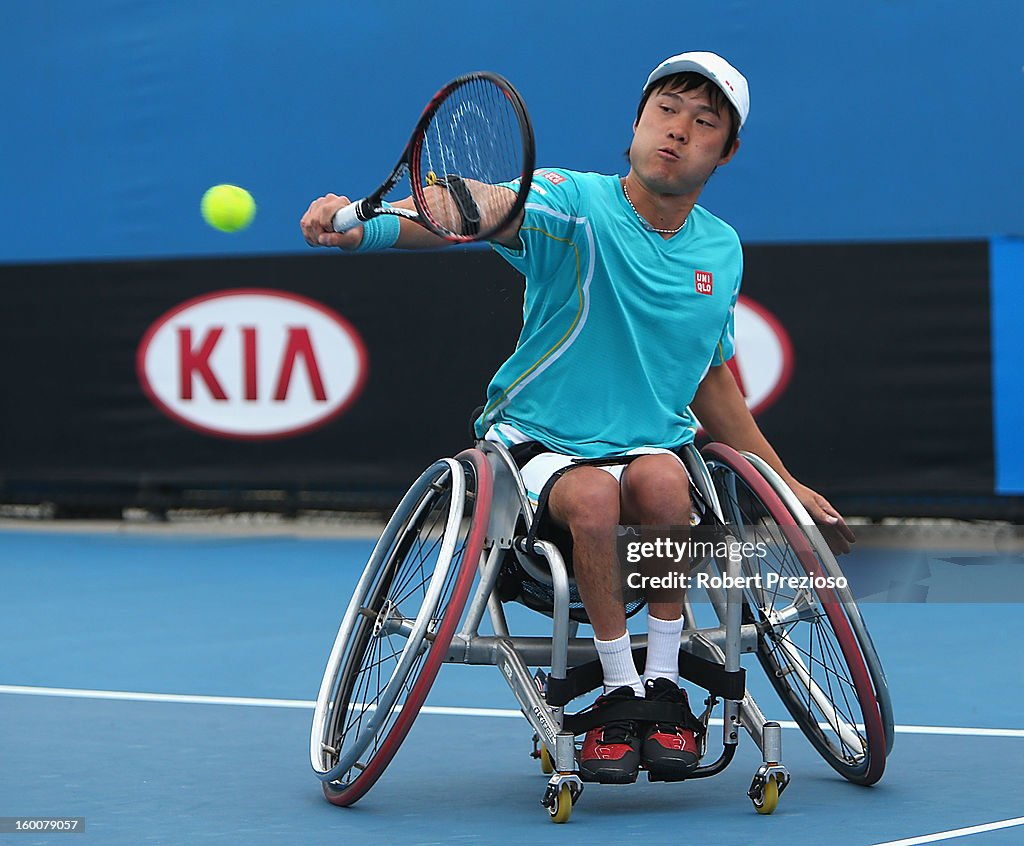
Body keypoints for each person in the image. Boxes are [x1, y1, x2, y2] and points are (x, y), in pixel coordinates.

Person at [300, 51, 855, 786]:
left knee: (664, 486)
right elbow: (479, 204)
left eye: (704, 121)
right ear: (634, 125)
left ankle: (661, 688)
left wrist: (786, 486)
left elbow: (712, 381)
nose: (679, 130)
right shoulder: (572, 202)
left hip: (651, 447)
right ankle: (618, 691)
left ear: (726, 152)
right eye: (665, 111)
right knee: (594, 494)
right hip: (540, 442)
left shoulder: (720, 251)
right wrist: (366, 227)